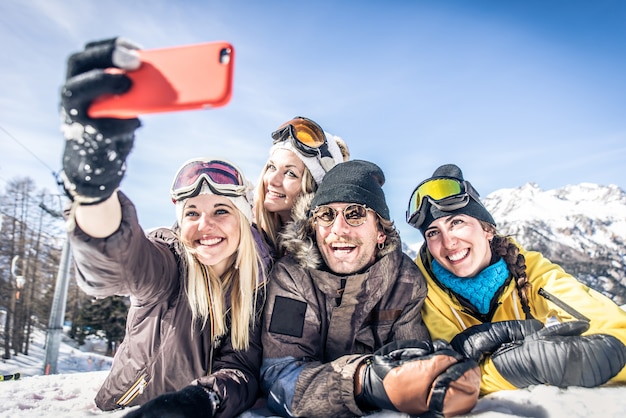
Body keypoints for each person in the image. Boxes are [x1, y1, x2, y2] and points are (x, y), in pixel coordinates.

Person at [59, 37, 271, 417]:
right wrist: (94, 190)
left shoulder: (254, 286)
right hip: (123, 409)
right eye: (191, 213)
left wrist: (197, 400)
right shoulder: (169, 265)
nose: (204, 224)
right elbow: (118, 260)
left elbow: (240, 369)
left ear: (243, 220)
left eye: (221, 210)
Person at [255, 160, 481, 418]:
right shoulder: (292, 277)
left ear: (380, 231)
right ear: (315, 226)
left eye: (355, 214)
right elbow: (279, 376)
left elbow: (413, 361)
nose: (338, 229)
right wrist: (363, 381)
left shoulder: (404, 282)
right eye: (326, 215)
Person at [406, 163, 626, 395]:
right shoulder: (420, 292)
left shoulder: (531, 270)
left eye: (457, 223)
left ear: (487, 230)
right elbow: (447, 379)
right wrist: (520, 367)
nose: (448, 242)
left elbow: (616, 328)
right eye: (433, 232)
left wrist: (592, 356)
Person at [253, 116, 349, 257]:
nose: (273, 180)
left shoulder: (328, 250)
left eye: (290, 173)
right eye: (272, 167)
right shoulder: (246, 234)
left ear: (312, 187)